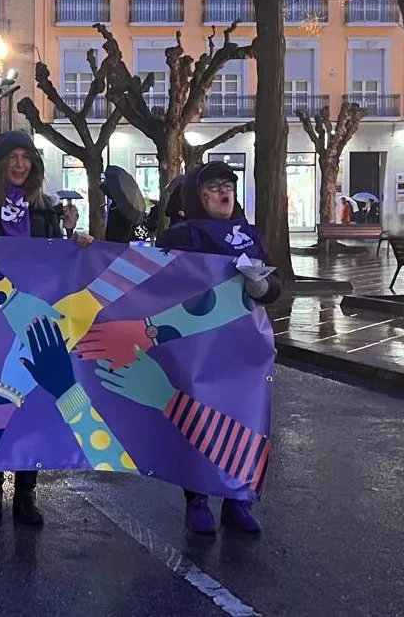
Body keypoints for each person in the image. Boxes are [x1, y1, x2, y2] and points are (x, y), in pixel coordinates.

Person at [0, 130, 94, 527]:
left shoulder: (46, 209)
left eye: (26, 157)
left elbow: (57, 264)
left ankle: (26, 491)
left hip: (35, 322)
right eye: (12, 157)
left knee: (33, 404)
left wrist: (76, 242)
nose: (19, 164)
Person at [156, 161, 281, 535]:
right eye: (213, 186)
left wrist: (263, 287)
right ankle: (197, 501)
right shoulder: (181, 235)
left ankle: (238, 500)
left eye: (228, 184)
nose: (224, 192)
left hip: (246, 349)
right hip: (199, 347)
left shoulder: (249, 234)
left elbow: (275, 284)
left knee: (246, 420)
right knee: (200, 421)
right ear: (198, 196)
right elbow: (159, 281)